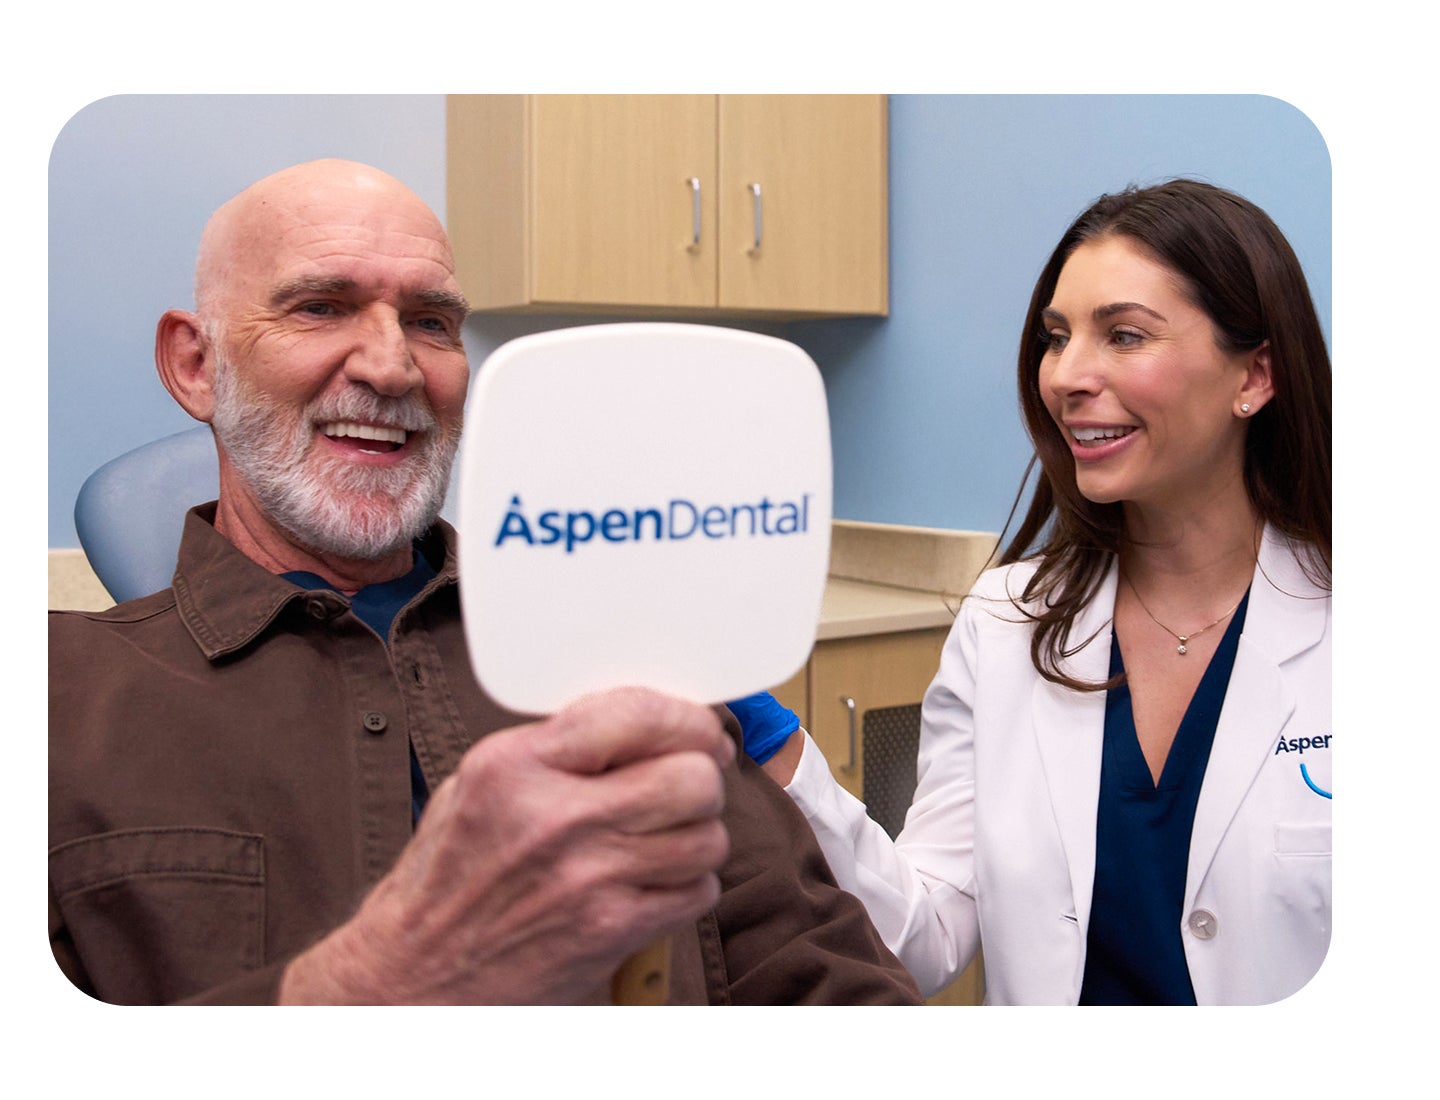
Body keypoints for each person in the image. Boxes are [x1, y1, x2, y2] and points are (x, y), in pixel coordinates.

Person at [47, 159, 921, 1006]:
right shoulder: (56, 701)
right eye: (321, 308)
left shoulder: (617, 660)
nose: (391, 369)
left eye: (431, 323)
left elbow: (828, 982)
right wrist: (371, 986)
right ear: (195, 365)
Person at [742, 179, 1332, 1005]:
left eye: (1124, 335)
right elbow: (921, 937)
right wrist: (771, 740)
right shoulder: (1005, 624)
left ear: (1256, 375)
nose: (1066, 375)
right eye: (1057, 338)